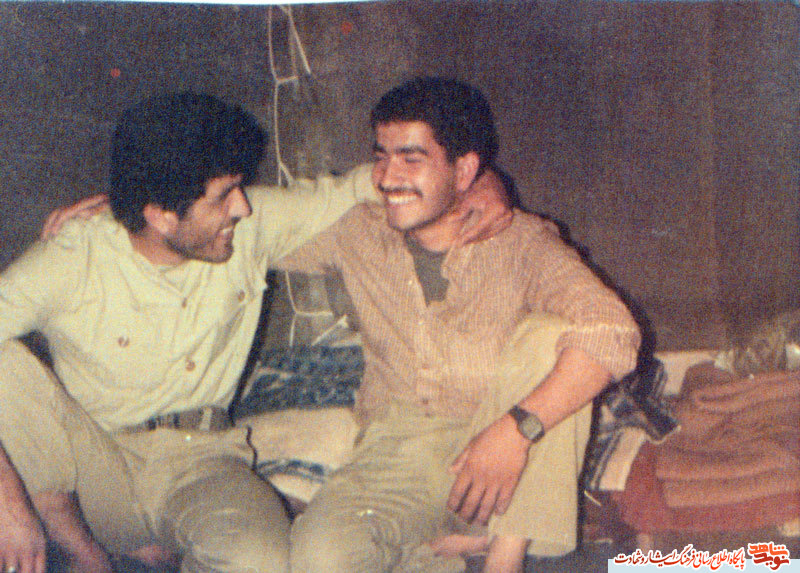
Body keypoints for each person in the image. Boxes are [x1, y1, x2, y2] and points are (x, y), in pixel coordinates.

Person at [0, 91, 511, 573]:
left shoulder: (251, 226)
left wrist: (485, 183)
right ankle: (81, 552)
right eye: (224, 196)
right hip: (95, 471)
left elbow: (370, 185)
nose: (243, 207)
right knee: (8, 364)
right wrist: (8, 507)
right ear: (160, 216)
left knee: (259, 561)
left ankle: (154, 548)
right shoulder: (74, 255)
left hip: (201, 460)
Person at [277, 77, 641, 573]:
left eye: (411, 159)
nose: (386, 178)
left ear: (466, 169)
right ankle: (444, 546)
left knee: (552, 337)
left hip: (507, 445)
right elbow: (252, 232)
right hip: (398, 452)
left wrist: (515, 431)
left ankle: (502, 555)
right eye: (381, 157)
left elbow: (614, 330)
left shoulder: (521, 242)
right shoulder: (356, 232)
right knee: (318, 555)